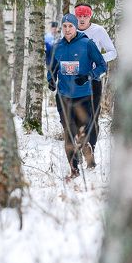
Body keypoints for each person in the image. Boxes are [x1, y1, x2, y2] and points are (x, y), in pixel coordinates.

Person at [48, 13, 107, 180]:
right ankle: (74, 169)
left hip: (83, 95)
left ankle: (89, 157)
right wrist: (51, 80)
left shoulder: (87, 43)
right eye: (65, 26)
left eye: (70, 26)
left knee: (82, 131)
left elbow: (102, 65)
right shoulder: (57, 46)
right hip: (63, 95)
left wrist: (89, 76)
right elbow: (52, 68)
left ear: (76, 27)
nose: (67, 29)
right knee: (68, 130)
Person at [73, 3, 116, 160]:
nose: (82, 19)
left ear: (90, 16)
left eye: (85, 16)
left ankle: (90, 149)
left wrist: (98, 58)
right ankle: (77, 149)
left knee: (93, 116)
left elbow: (113, 52)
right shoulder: (71, 30)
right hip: (75, 80)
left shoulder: (98, 31)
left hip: (94, 79)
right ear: (75, 16)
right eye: (79, 16)